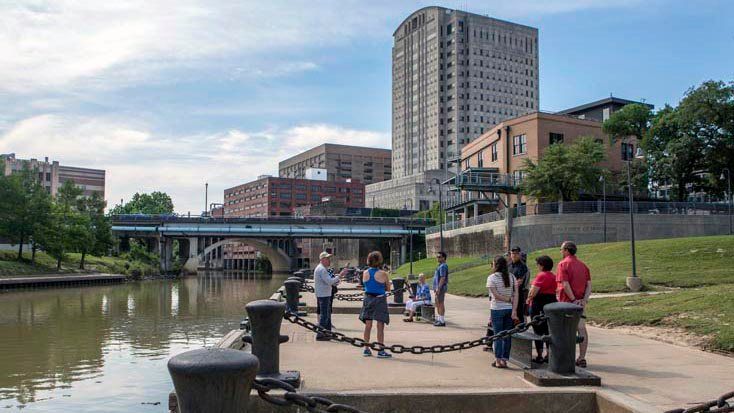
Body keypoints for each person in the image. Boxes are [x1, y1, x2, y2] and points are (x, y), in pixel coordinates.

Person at [556, 241, 592, 368]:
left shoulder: (563, 264)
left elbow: (565, 284)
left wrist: (573, 300)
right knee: (581, 329)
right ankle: (582, 357)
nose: (560, 251)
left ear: (566, 250)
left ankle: (565, 357)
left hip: (566, 302)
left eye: (561, 249)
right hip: (581, 303)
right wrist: (584, 300)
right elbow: (589, 285)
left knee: (565, 331)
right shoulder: (583, 265)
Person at [487, 255, 519, 368]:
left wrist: (507, 299)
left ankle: (498, 360)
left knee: (497, 335)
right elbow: (516, 295)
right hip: (509, 309)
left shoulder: (492, 278)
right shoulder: (512, 277)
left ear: (495, 265)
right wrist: (514, 310)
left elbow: (495, 296)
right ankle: (505, 359)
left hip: (497, 309)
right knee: (507, 335)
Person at [359, 251, 392, 358]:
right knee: (380, 326)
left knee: (368, 325)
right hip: (380, 300)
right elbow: (388, 288)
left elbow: (365, 285)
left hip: (368, 299)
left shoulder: (365, 273)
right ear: (379, 260)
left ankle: (366, 349)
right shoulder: (383, 273)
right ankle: (381, 350)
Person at [526, 255, 557, 363]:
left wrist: (529, 297)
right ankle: (549, 354)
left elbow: (533, 292)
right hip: (551, 303)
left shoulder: (541, 276)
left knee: (538, 330)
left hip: (539, 304)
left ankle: (539, 355)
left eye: (538, 264)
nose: (537, 266)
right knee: (548, 330)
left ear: (542, 265)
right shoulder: (554, 276)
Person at [314, 251, 341, 341]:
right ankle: (320, 335)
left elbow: (329, 281)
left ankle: (328, 333)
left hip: (324, 294)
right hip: (323, 295)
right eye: (328, 259)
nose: (329, 260)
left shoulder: (322, 268)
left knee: (327, 314)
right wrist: (340, 275)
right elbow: (329, 282)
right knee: (324, 315)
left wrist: (335, 279)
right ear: (323, 259)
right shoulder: (322, 269)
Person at [509, 246, 529, 322]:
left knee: (518, 313)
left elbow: (519, 282)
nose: (514, 255)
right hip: (508, 293)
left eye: (516, 253)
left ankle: (520, 331)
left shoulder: (523, 266)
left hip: (518, 293)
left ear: (519, 254)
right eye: (512, 253)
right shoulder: (508, 265)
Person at [432, 251, 449, 327]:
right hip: (437, 288)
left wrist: (438, 288)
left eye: (439, 257)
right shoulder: (440, 265)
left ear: (443, 258)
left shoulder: (443, 266)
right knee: (437, 303)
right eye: (437, 257)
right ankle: (439, 319)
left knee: (440, 303)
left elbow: (442, 277)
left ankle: (442, 321)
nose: (437, 258)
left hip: (441, 288)